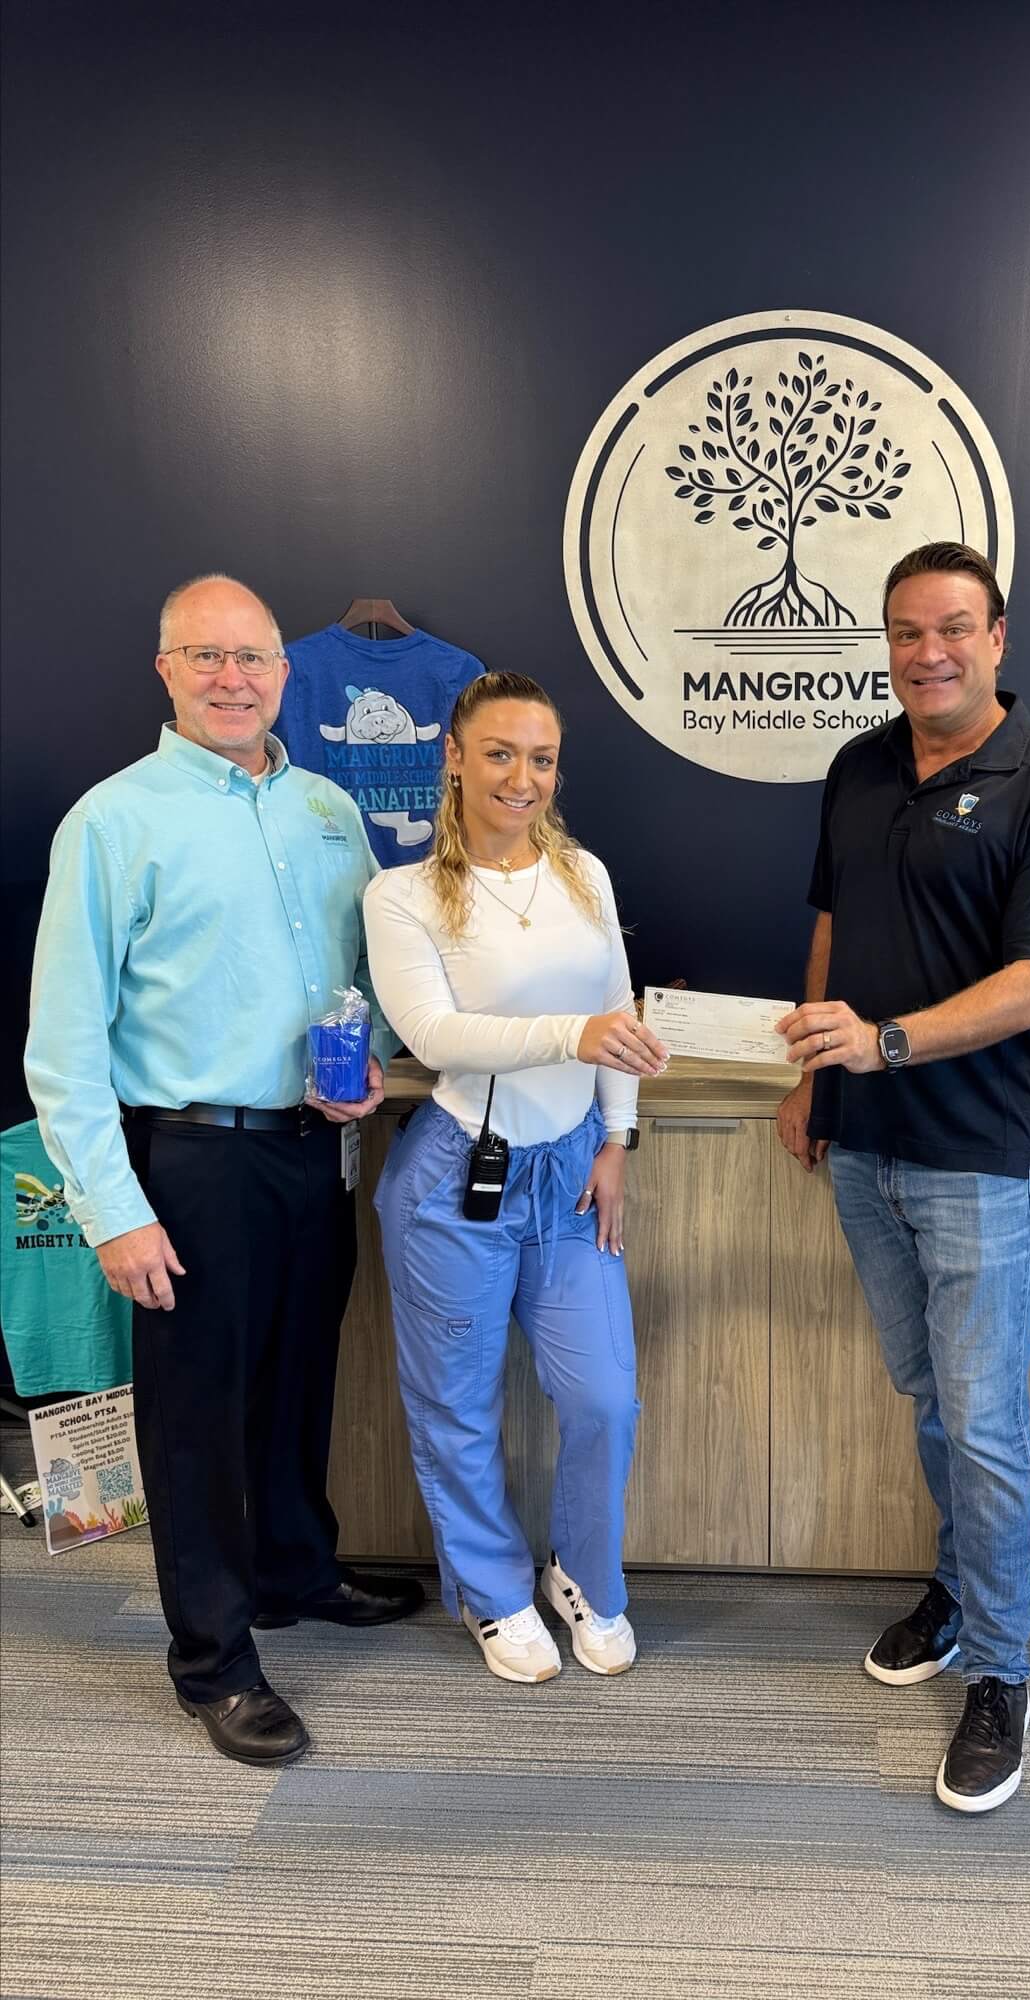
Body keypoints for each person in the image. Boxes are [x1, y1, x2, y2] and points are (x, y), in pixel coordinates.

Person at [25, 574, 422, 1771]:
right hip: (188, 1159)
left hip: (313, 1150)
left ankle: (296, 1568)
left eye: (251, 658)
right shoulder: (112, 820)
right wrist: (113, 1211)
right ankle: (214, 1656)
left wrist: (381, 1068)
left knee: (300, 1379)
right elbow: (63, 1043)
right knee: (196, 1418)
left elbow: (372, 979)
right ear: (167, 672)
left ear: (284, 673)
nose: (232, 678)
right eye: (206, 657)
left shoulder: (325, 811)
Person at [776, 543, 1030, 1814]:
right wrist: (818, 1065)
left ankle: (1003, 1671)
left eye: (954, 629)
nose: (929, 652)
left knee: (982, 1417)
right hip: (864, 1142)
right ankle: (963, 1588)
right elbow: (828, 922)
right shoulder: (859, 764)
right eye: (907, 631)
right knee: (929, 1390)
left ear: (998, 637)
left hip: (975, 1150)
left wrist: (889, 1040)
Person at [363, 671, 667, 1686]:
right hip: (457, 1175)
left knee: (603, 1398)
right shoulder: (402, 892)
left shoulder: (584, 872)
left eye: (540, 757)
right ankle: (491, 1591)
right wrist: (568, 1033)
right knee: (455, 1403)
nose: (521, 776)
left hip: (574, 1170)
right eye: (499, 752)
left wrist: (616, 1138)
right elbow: (434, 1033)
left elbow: (619, 1009)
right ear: (453, 755)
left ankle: (582, 1574)